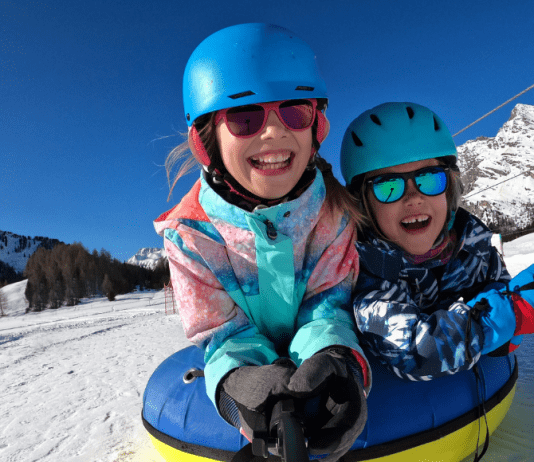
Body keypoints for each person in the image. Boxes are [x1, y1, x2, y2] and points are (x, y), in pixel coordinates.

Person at [154, 23, 370, 461]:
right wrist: (238, 383)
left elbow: (327, 303)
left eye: (294, 112)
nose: (272, 133)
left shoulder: (334, 215)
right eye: (245, 117)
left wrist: (335, 358)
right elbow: (221, 330)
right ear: (205, 141)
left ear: (317, 127)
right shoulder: (192, 237)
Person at [340, 101, 534, 381]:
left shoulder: (474, 248)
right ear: (364, 205)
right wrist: (512, 312)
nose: (413, 198)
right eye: (388, 186)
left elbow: (499, 288)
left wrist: (505, 326)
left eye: (429, 179)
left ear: (450, 188)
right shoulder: (368, 271)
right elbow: (414, 352)